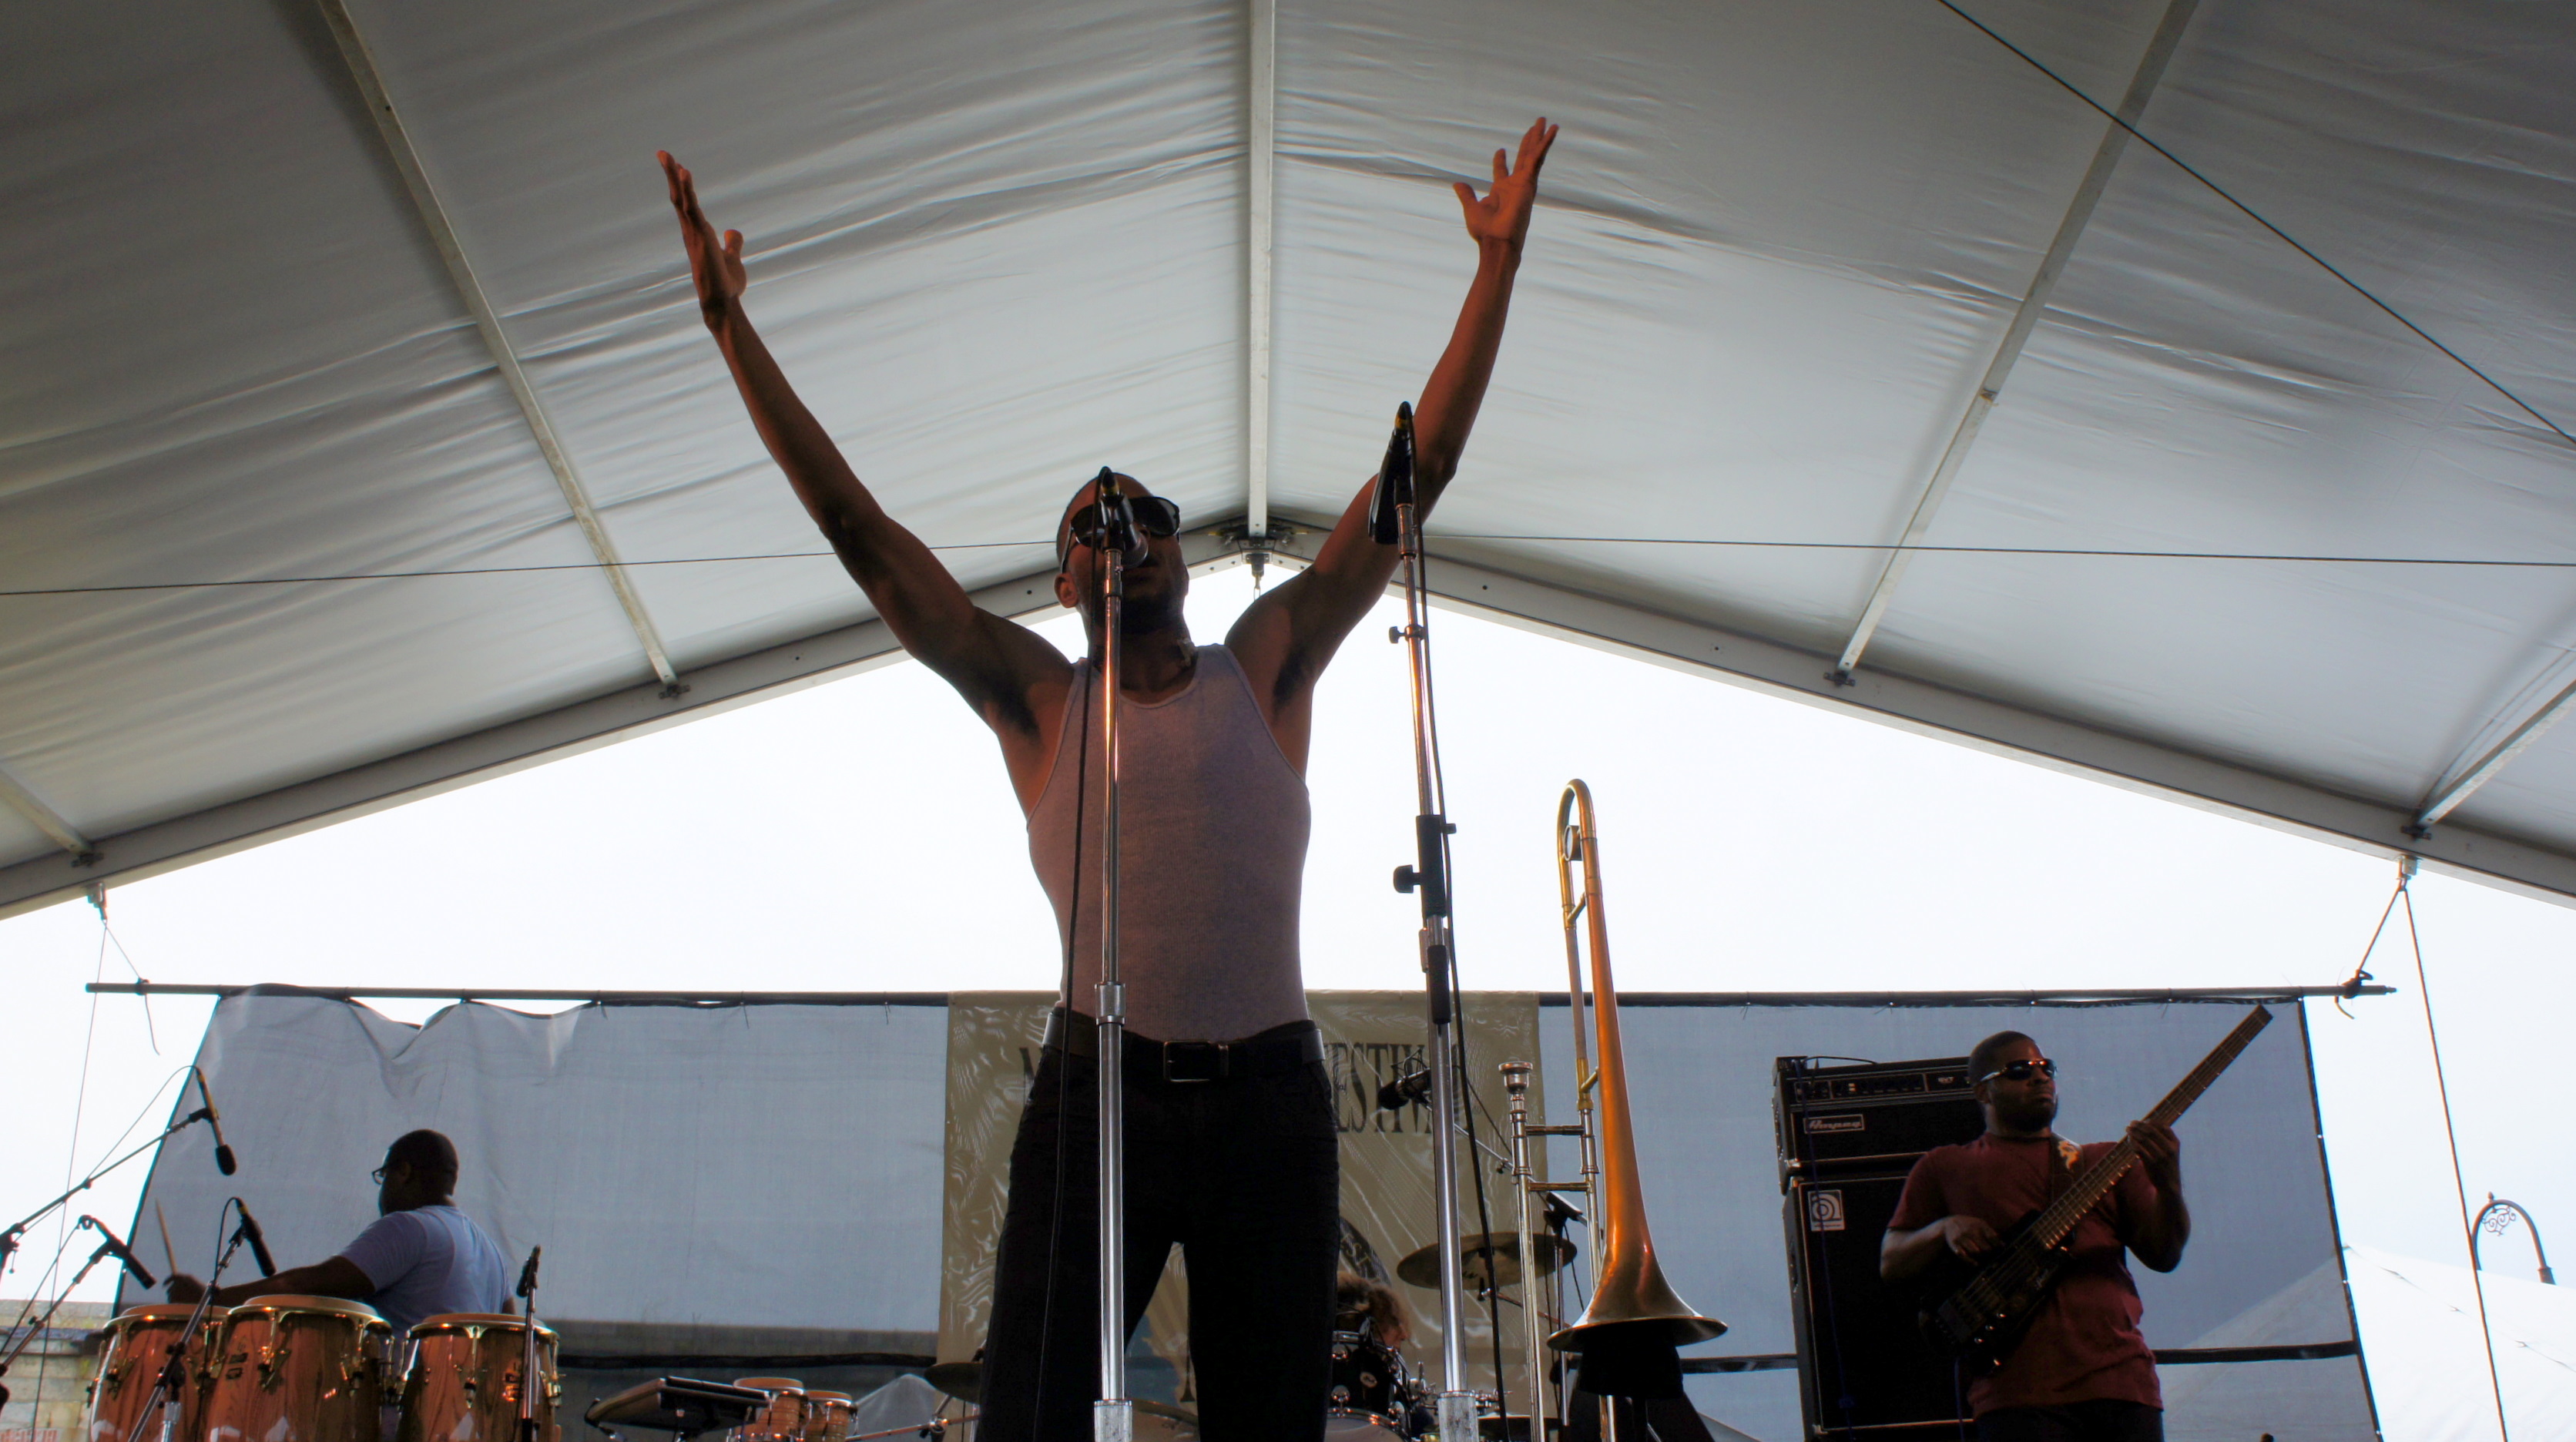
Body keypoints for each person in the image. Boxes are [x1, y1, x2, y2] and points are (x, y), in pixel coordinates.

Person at [657, 116, 1558, 1442]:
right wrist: (732, 330)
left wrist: (1496, 264)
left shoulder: (1263, 664)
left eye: (1133, 511)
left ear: (1180, 554)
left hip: (1268, 1099)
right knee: (1030, 1416)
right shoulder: (1037, 695)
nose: (1111, 529)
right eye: (1086, 526)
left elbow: (1408, 487)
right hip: (1098, 1090)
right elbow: (859, 533)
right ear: (1066, 581)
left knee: (1268, 1421)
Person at [1879, 1033, 2189, 1442]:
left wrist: (2168, 1183)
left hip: (2122, 1384)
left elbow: (2165, 1255)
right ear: (1983, 1091)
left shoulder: (2102, 1162)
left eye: (2046, 1068)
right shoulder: (1946, 1166)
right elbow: (1892, 1262)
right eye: (2019, 1071)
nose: (2040, 1078)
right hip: (2016, 1394)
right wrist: (1944, 1228)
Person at [166, 1129, 513, 1335]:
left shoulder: (411, 1226)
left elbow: (312, 1284)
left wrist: (210, 1302)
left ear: (403, 1171)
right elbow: (510, 1331)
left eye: (384, 1175)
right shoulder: (492, 1254)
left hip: (402, 1415)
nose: (382, 1191)